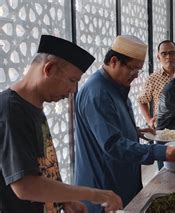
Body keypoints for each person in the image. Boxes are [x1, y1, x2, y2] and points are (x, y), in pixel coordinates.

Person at [0, 35, 122, 212]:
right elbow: (25, 186)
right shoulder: (11, 112)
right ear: (48, 69)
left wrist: (65, 200)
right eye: (72, 81)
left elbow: (43, 165)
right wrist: (95, 195)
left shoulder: (34, 105)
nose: (73, 90)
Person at [74, 35, 175, 212]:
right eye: (132, 69)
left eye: (138, 70)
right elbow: (112, 145)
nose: (135, 75)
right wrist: (160, 151)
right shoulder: (98, 92)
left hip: (122, 180)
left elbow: (110, 127)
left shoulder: (117, 86)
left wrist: (136, 131)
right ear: (114, 61)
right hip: (103, 187)